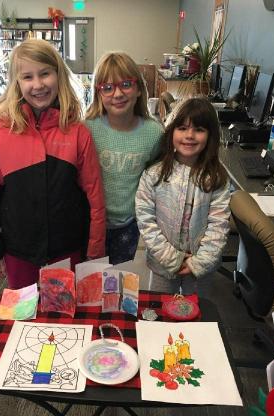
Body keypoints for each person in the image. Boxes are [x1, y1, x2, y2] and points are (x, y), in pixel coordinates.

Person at [0, 39, 105, 289]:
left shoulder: (77, 132)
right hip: (19, 251)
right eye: (27, 77)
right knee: (24, 318)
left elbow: (94, 196)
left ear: (58, 74)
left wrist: (95, 247)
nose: (38, 85)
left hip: (66, 249)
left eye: (45, 73)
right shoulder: (1, 132)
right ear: (16, 82)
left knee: (65, 320)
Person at [135, 97, 230, 295]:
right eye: (183, 128)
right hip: (163, 264)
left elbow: (218, 225)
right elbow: (146, 220)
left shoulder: (216, 178)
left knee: (197, 314)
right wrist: (172, 259)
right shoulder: (154, 174)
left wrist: (199, 262)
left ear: (210, 135)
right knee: (159, 312)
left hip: (199, 268)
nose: (190, 135)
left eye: (199, 129)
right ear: (171, 132)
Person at [85, 52, 163, 265]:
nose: (117, 94)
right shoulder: (87, 129)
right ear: (98, 93)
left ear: (139, 89)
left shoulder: (154, 133)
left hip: (128, 224)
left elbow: (156, 179)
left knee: (115, 280)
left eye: (126, 84)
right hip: (90, 223)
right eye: (107, 88)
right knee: (87, 278)